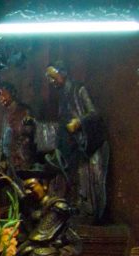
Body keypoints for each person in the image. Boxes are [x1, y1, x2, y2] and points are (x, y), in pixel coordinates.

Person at [44, 63, 109, 224]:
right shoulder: (62, 95)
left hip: (85, 145)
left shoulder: (78, 89)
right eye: (49, 79)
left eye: (53, 77)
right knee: (71, 180)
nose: (52, 82)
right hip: (71, 146)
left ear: (63, 73)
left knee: (85, 181)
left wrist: (79, 122)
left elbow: (94, 113)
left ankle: (88, 212)